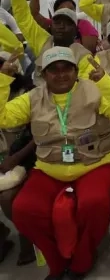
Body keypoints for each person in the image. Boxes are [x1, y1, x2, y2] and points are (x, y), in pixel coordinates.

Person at [1, 47, 110, 280]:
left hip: (99, 163)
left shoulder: (94, 90)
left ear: (76, 71)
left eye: (67, 68)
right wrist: (3, 79)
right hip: (50, 168)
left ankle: (81, 261)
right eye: (53, 70)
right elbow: (3, 116)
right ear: (44, 75)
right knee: (24, 209)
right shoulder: (33, 98)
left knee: (93, 203)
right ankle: (57, 263)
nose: (61, 74)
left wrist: (106, 83)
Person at [8, 0, 93, 83]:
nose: (61, 26)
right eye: (57, 22)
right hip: (38, 94)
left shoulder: (82, 56)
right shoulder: (43, 41)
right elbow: (23, 18)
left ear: (75, 30)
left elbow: (84, 88)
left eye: (67, 23)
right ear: (51, 26)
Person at [0, 51, 36, 267]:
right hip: (5, 158)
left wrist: (15, 158)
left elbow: (39, 135)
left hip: (27, 156)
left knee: (7, 198)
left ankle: (28, 236)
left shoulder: (29, 93)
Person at [23, 0, 99, 54]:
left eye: (70, 10)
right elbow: (34, 14)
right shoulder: (53, 24)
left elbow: (88, 53)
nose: (67, 13)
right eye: (63, 10)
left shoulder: (83, 24)